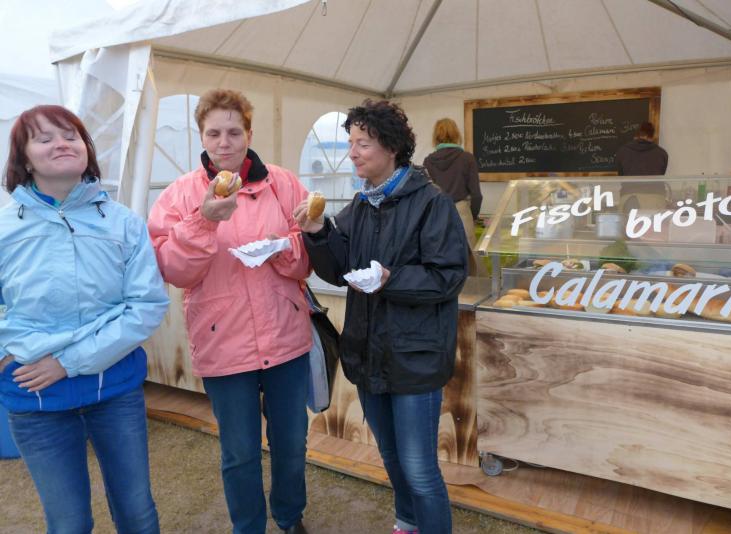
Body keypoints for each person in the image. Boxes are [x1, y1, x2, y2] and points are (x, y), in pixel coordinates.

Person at [293, 99, 468, 534]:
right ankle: (407, 523)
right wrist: (317, 233)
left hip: (414, 358)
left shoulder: (432, 204)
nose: (352, 153)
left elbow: (447, 277)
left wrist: (391, 279)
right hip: (369, 354)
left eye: (363, 144)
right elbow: (337, 269)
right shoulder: (360, 205)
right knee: (391, 457)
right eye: (351, 142)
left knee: (420, 468)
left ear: (391, 148)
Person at [147, 89, 312, 534]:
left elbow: (305, 257)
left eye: (234, 132)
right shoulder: (181, 194)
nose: (224, 142)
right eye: (214, 133)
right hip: (223, 340)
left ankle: (290, 515)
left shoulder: (282, 183)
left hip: (285, 335)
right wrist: (204, 221)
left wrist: (282, 248)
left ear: (249, 135)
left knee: (291, 442)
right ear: (201, 137)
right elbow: (173, 270)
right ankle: (248, 526)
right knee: (239, 451)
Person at [0, 105, 169, 533]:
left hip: (113, 388)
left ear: (86, 150)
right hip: (35, 396)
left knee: (137, 513)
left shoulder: (123, 223)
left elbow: (146, 304)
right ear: (24, 159)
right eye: (45, 138)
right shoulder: (4, 227)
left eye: (71, 136)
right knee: (69, 522)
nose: (62, 144)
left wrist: (67, 362)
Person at [422, 118, 485, 276]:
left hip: (439, 213)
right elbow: (476, 195)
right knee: (472, 256)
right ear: (456, 134)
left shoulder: (428, 161)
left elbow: (427, 193)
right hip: (462, 211)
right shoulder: (467, 158)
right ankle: (478, 287)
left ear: (436, 137)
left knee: (442, 254)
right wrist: (473, 216)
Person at [615, 121, 669, 211]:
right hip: (655, 199)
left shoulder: (622, 152)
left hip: (629, 198)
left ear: (636, 135)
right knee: (653, 221)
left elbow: (621, 176)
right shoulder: (662, 153)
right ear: (652, 136)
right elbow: (661, 174)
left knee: (629, 220)